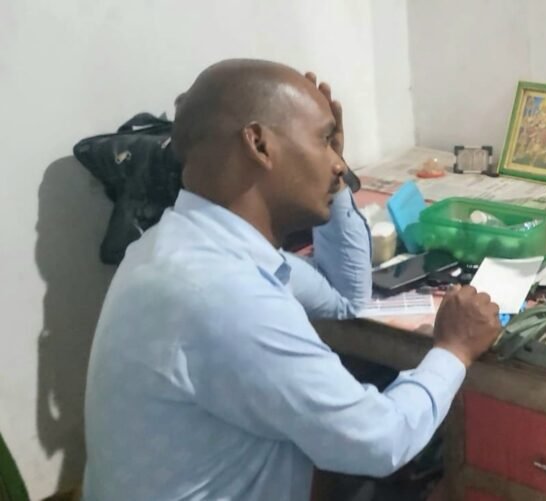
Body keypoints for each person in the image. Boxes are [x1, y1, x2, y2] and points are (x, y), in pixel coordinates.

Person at [82, 59, 502, 501]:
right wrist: (454, 348)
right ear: (259, 144)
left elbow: (345, 296)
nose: (339, 165)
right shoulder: (228, 297)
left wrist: (332, 180)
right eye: (324, 140)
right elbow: (382, 442)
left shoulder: (178, 244)